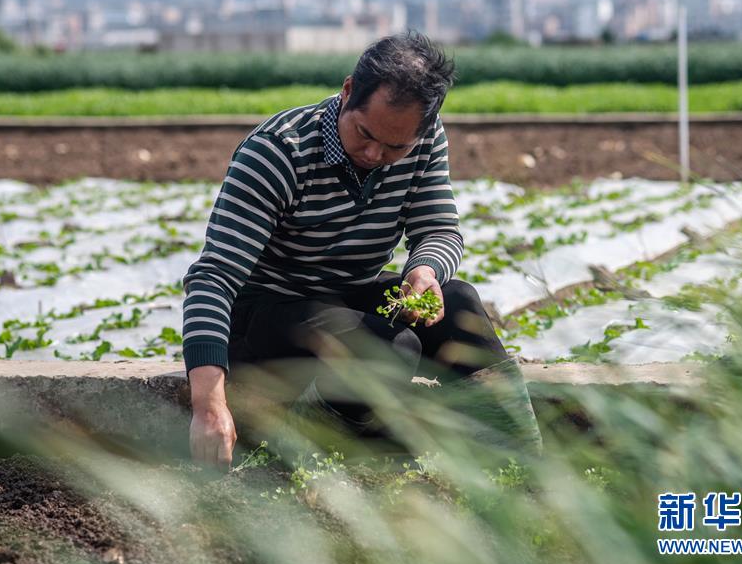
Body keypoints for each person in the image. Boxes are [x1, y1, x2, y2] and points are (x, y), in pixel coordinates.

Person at [182, 31, 538, 469]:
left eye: (395, 147)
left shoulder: (425, 139)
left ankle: (518, 465)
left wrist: (425, 270)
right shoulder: (278, 152)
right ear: (348, 91)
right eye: (364, 134)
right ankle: (295, 458)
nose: (374, 153)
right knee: (389, 347)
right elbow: (213, 279)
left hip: (347, 295)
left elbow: (439, 229)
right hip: (267, 312)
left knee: (459, 302)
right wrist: (208, 405)